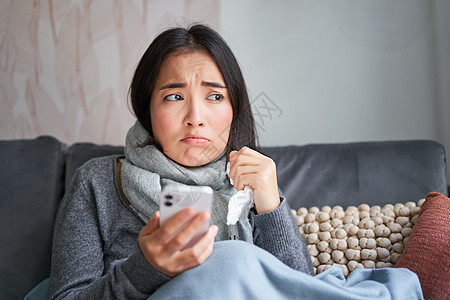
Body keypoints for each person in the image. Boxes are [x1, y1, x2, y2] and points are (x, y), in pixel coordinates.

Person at [49, 24, 314, 299]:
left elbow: (305, 292)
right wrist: (147, 268)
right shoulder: (97, 182)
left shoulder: (252, 183)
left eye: (214, 96)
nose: (195, 117)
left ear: (234, 109)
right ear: (147, 108)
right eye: (174, 96)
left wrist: (271, 207)